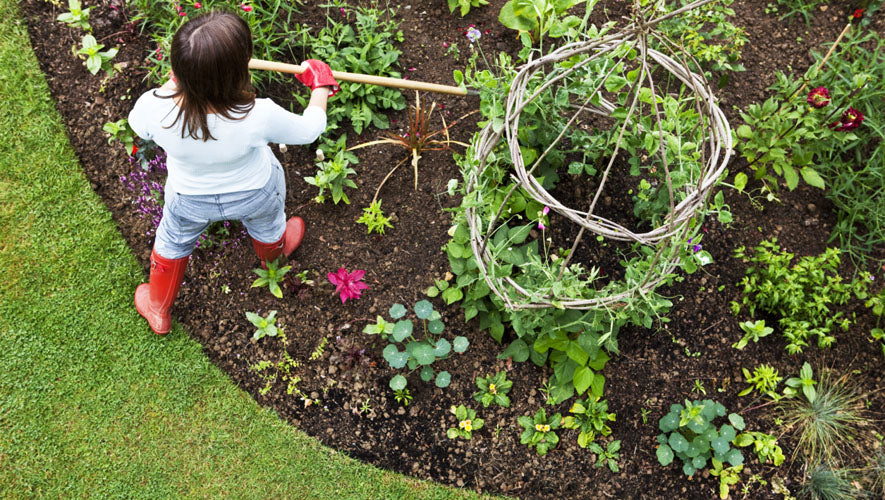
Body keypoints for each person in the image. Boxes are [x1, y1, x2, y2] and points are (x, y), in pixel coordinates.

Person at [128, 10, 339, 335]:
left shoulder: (155, 109)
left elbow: (137, 125)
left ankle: (158, 308)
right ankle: (274, 253)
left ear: (177, 71)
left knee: (172, 240)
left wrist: (175, 84)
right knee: (268, 223)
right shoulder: (259, 114)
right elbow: (310, 129)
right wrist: (320, 85)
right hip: (255, 191)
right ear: (240, 73)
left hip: (189, 198)